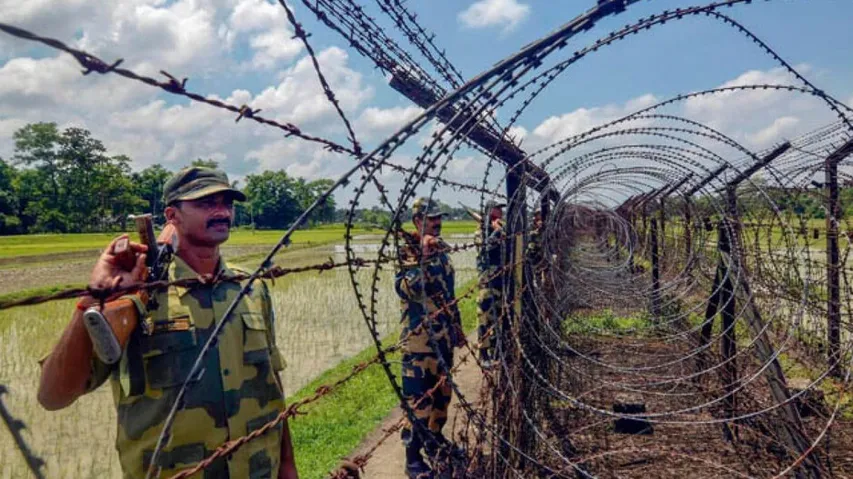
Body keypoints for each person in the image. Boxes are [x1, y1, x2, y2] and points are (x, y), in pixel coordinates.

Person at [36, 166, 298, 479]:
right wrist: (92, 300)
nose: (221, 212)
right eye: (204, 204)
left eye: (226, 203)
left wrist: (287, 465)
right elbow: (53, 396)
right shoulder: (138, 296)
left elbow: (271, 384)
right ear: (172, 216)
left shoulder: (251, 287)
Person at [395, 197, 465, 479]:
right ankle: (412, 459)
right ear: (417, 220)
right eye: (432, 218)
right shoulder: (406, 252)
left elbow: (448, 293)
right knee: (418, 403)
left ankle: (436, 442)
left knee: (441, 397)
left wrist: (457, 326)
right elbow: (406, 289)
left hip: (443, 337)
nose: (437, 223)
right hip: (419, 343)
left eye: (439, 218)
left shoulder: (442, 250)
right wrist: (421, 256)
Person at [475, 200, 505, 366]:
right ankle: (483, 354)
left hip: (500, 281)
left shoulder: (499, 228)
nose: (500, 211)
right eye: (497, 208)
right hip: (487, 282)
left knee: (498, 319)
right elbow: (484, 248)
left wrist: (500, 231)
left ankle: (496, 351)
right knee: (485, 319)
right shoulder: (481, 232)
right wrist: (497, 233)